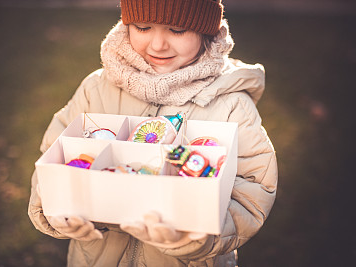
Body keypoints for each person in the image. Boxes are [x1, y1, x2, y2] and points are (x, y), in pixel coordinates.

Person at [28, 0, 278, 266]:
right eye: (143, 27)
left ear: (205, 29)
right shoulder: (97, 89)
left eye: (177, 30)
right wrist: (53, 203)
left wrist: (194, 237)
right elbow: (54, 153)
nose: (158, 44)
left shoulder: (231, 104)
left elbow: (252, 190)